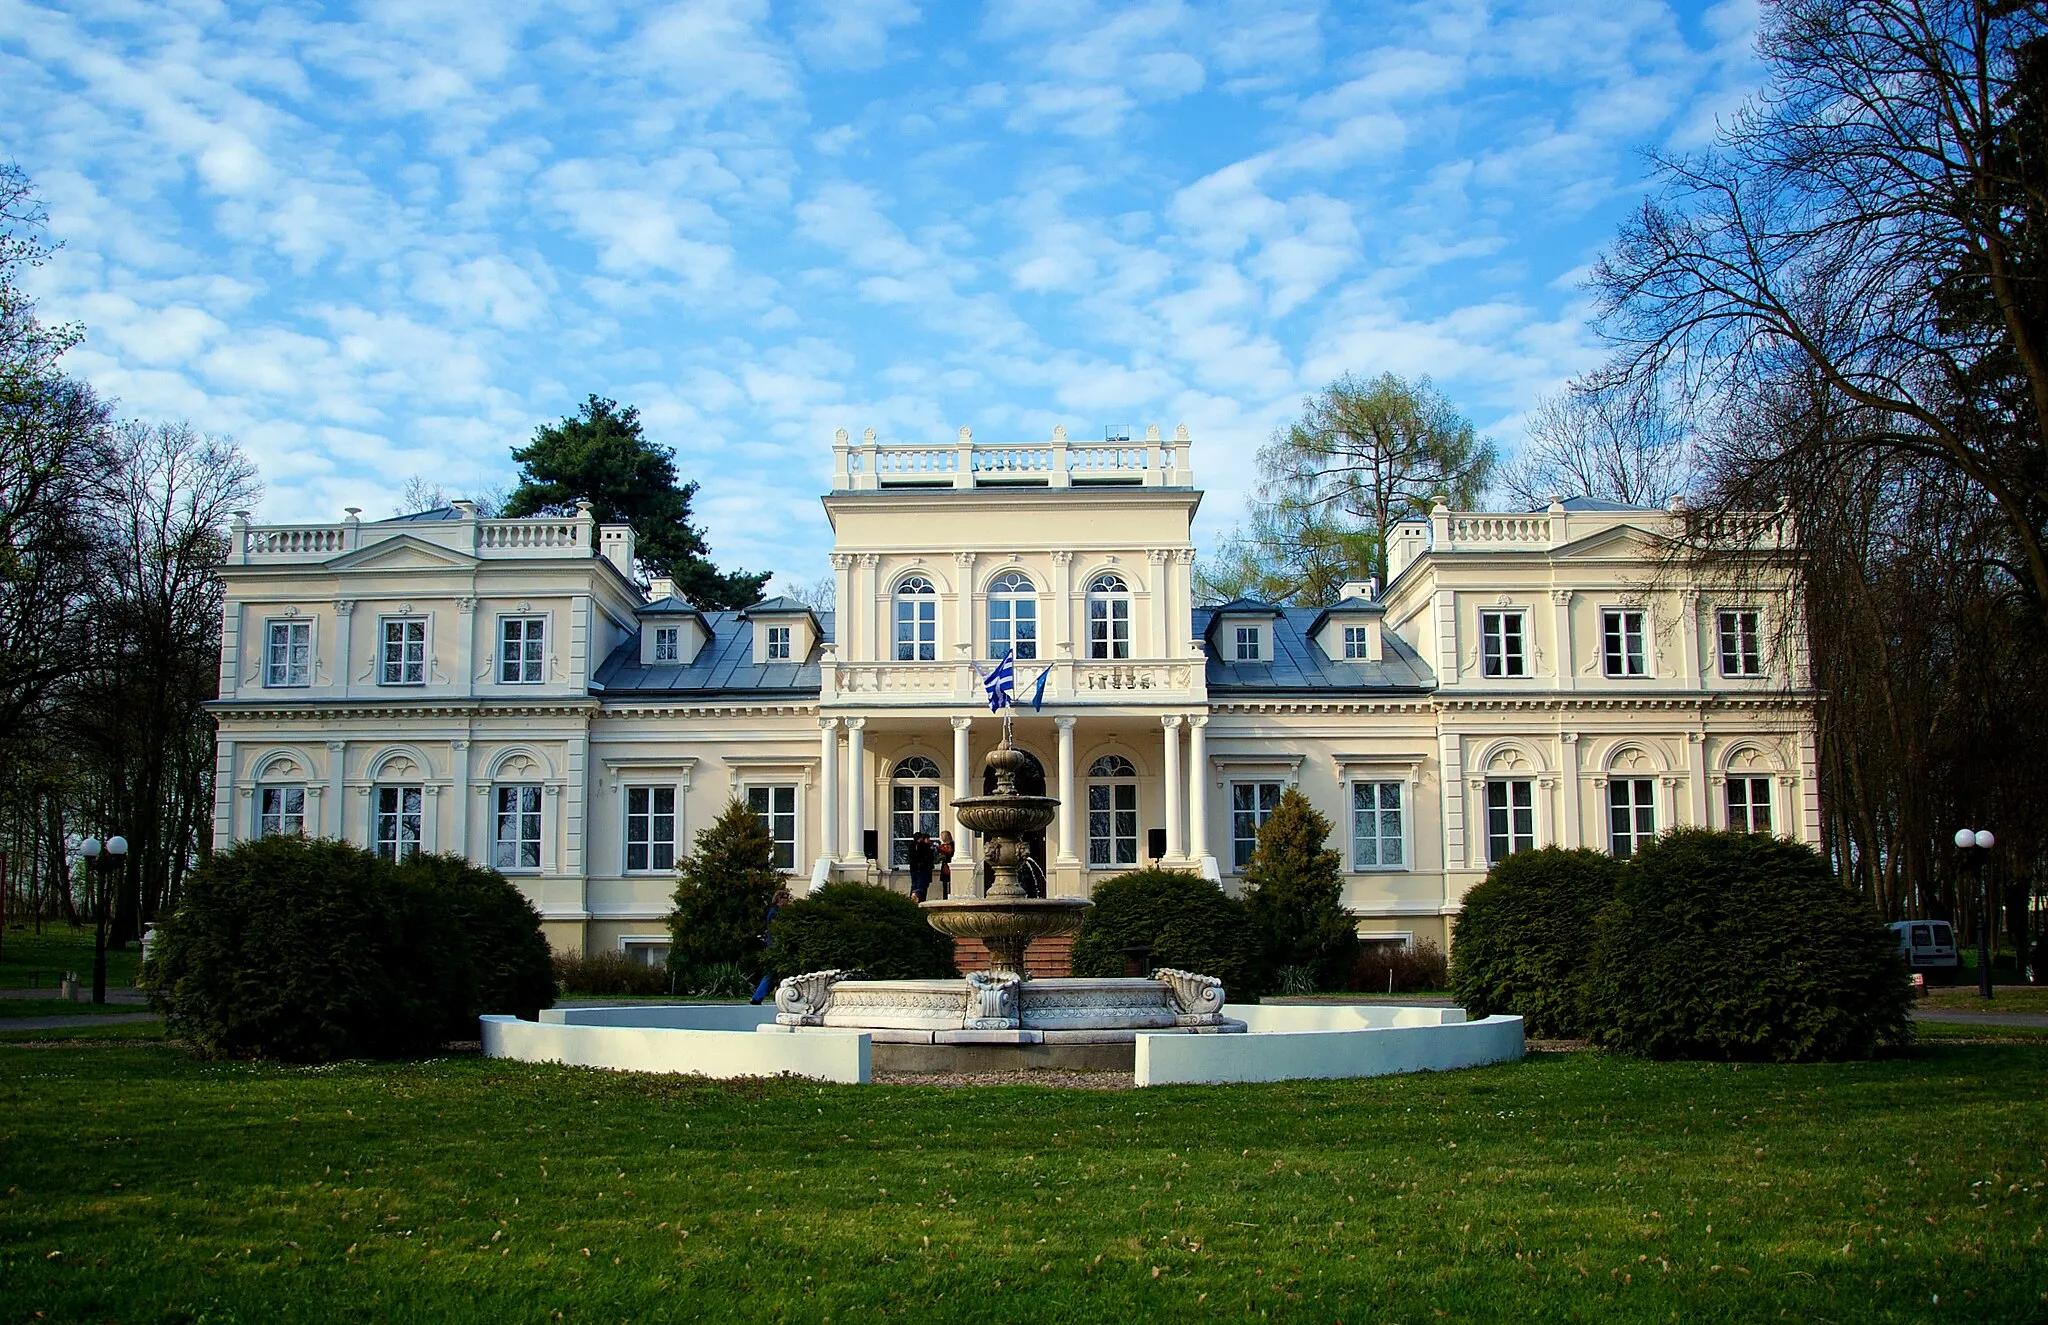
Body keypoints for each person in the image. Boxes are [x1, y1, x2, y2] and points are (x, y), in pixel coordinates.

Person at [749, 886, 794, 1005]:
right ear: (779, 899)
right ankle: (757, 997)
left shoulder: (779, 912)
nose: (787, 901)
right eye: (785, 898)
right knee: (771, 973)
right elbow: (777, 930)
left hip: (777, 946)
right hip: (775, 947)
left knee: (775, 973)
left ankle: (765, 996)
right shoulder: (774, 913)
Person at [907, 831, 936, 903]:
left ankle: (912, 900)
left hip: (914, 868)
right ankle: (919, 900)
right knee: (921, 886)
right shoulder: (923, 846)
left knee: (914, 885)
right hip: (922, 869)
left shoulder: (912, 846)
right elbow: (927, 857)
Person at [937, 830, 956, 899]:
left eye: (942, 836)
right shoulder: (942, 846)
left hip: (949, 865)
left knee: (950, 882)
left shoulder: (951, 845)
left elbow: (950, 853)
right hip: (944, 865)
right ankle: (945, 897)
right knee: (944, 884)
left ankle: (950, 896)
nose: (941, 838)